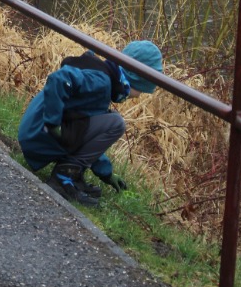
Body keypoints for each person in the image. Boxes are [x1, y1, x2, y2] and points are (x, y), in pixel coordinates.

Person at [17, 40, 162, 207]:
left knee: (108, 119)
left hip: (33, 131)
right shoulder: (101, 81)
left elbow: (86, 134)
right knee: (116, 123)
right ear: (134, 78)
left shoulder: (102, 75)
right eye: (142, 90)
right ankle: (63, 178)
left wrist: (106, 173)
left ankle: (73, 175)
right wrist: (53, 124)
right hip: (39, 134)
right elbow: (59, 79)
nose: (138, 96)